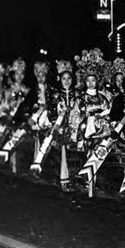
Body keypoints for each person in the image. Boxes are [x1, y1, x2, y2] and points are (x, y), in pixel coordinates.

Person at [0, 61, 53, 165]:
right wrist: (28, 117)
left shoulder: (51, 91)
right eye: (38, 76)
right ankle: (5, 151)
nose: (40, 78)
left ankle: (38, 164)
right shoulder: (32, 92)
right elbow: (26, 108)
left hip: (47, 121)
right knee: (22, 128)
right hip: (32, 120)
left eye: (43, 75)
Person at [71, 49, 111, 151]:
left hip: (100, 130)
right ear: (84, 81)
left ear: (97, 81)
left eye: (93, 80)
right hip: (84, 130)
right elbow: (75, 114)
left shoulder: (102, 98)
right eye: (88, 80)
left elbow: (107, 112)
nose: (90, 83)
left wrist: (100, 117)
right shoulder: (80, 98)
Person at [44, 60, 76, 190]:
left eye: (69, 78)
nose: (67, 81)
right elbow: (51, 112)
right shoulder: (56, 95)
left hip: (74, 127)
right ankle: (62, 179)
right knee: (60, 148)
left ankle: (75, 180)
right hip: (60, 127)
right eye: (64, 78)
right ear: (60, 79)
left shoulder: (77, 94)